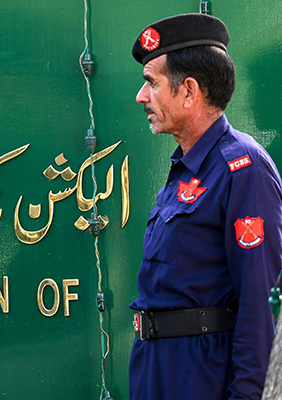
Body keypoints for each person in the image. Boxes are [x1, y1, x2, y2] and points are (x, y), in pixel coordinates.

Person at [129, 14, 282, 399]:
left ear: (189, 91)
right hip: (157, 371)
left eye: (152, 83)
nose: (141, 96)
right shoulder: (186, 168)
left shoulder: (242, 167)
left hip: (200, 376)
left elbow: (260, 302)